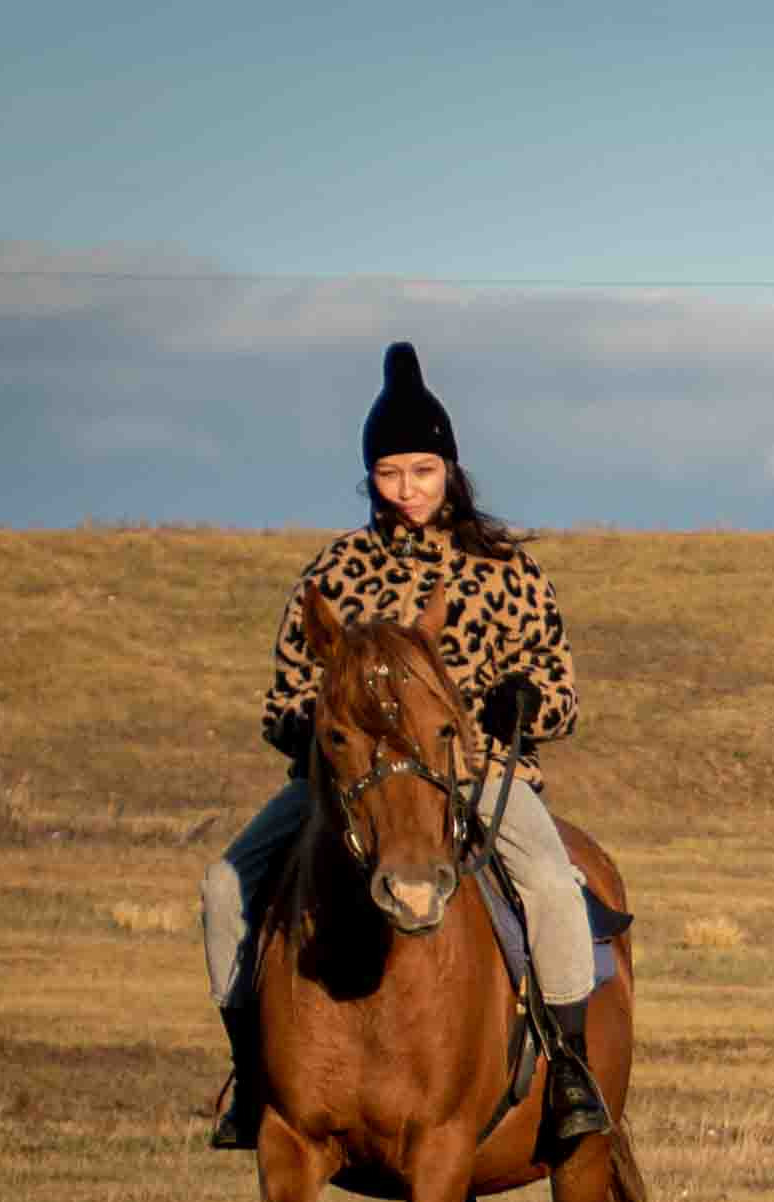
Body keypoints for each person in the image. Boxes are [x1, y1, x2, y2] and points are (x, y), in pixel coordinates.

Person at [199, 342, 606, 1151]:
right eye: (390, 472)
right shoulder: (334, 572)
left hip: (477, 774)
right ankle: (253, 1077)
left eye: (422, 470)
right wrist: (320, 726)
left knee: (555, 889)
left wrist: (526, 699)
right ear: (369, 477)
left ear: (450, 469)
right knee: (221, 889)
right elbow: (283, 696)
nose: (407, 489)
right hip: (349, 785)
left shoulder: (507, 570)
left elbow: (562, 691)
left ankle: (567, 1069)